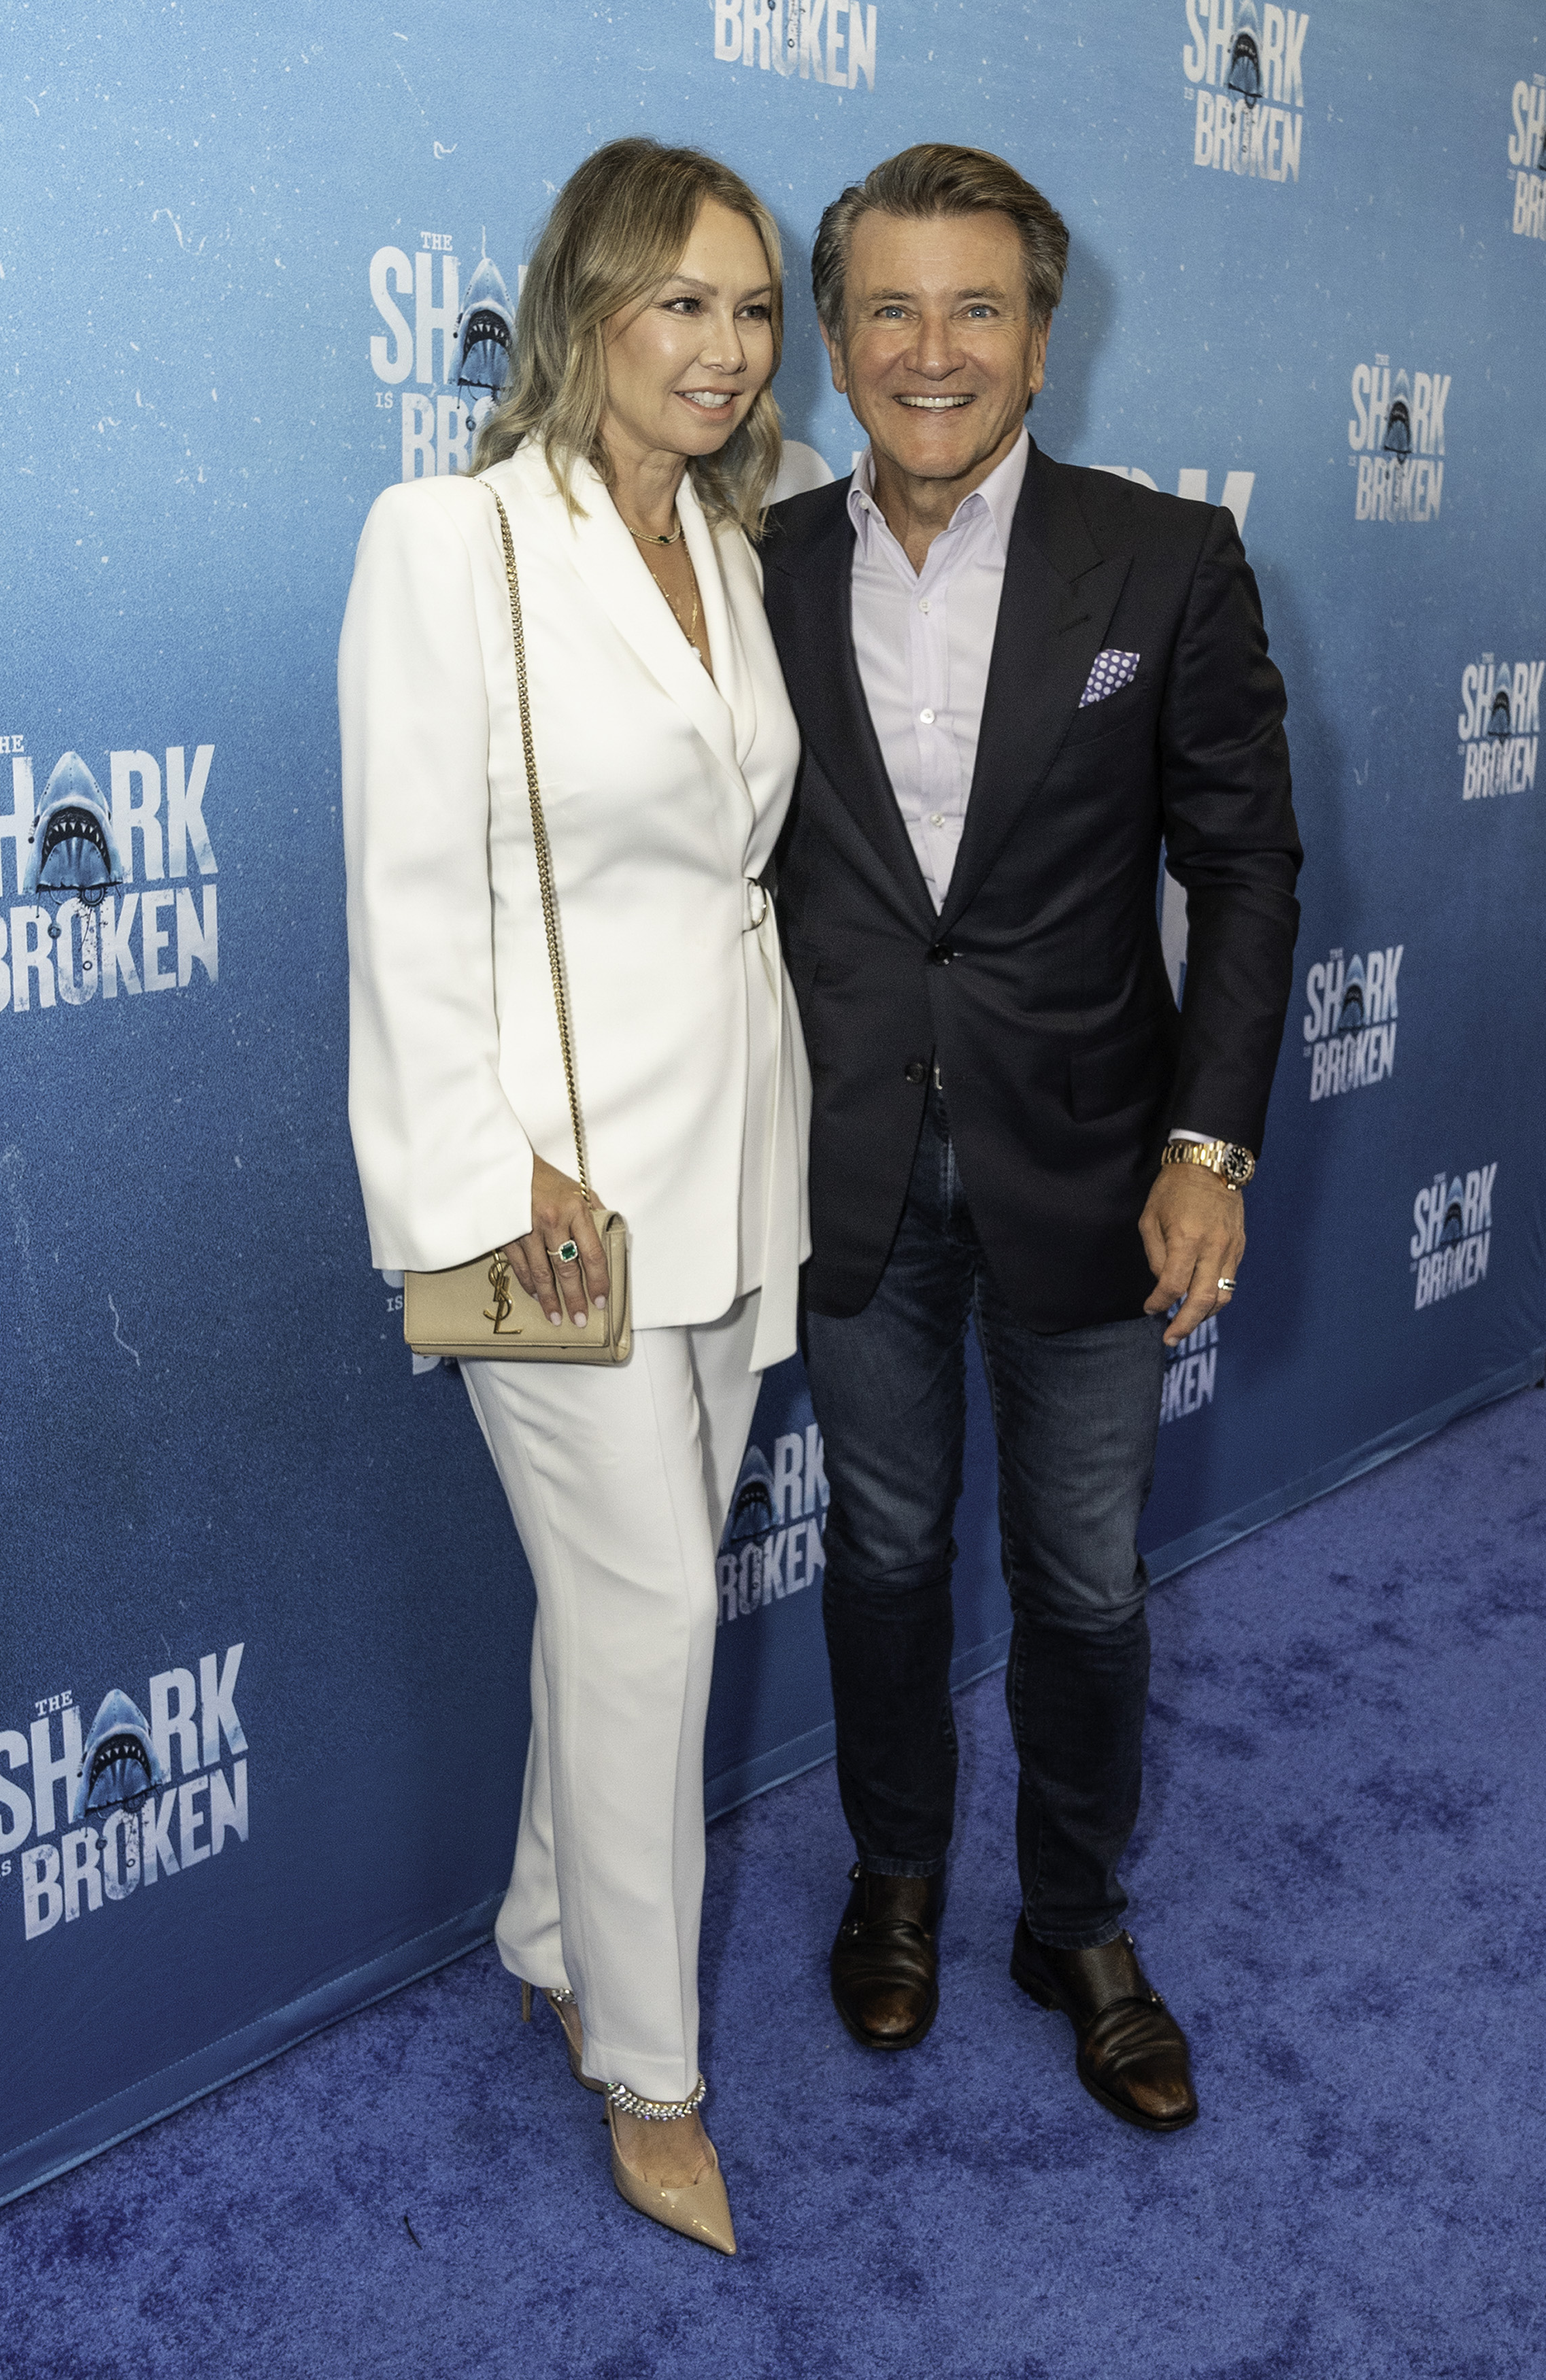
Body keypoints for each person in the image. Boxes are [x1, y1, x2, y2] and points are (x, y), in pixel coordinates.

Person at [762, 145, 1302, 2131]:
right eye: (886, 309)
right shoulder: (754, 570)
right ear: (829, 340)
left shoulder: (1159, 563)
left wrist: (1208, 1147)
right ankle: (895, 1874)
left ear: (1041, 342)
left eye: (972, 308)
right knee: (887, 1550)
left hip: (1092, 1165)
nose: (929, 351)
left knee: (1081, 1579)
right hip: (837, 1171)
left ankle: (1069, 1912)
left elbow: (1242, 873)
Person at [339, 137, 809, 2251]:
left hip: (737, 1154)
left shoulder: (740, 534)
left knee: (631, 1600)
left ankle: (545, 1916)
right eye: (679, 302)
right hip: (546, 1193)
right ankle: (647, 2062)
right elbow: (408, 894)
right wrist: (477, 1161)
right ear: (583, 305)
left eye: (749, 308)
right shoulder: (448, 541)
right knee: (650, 1611)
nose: (720, 349)